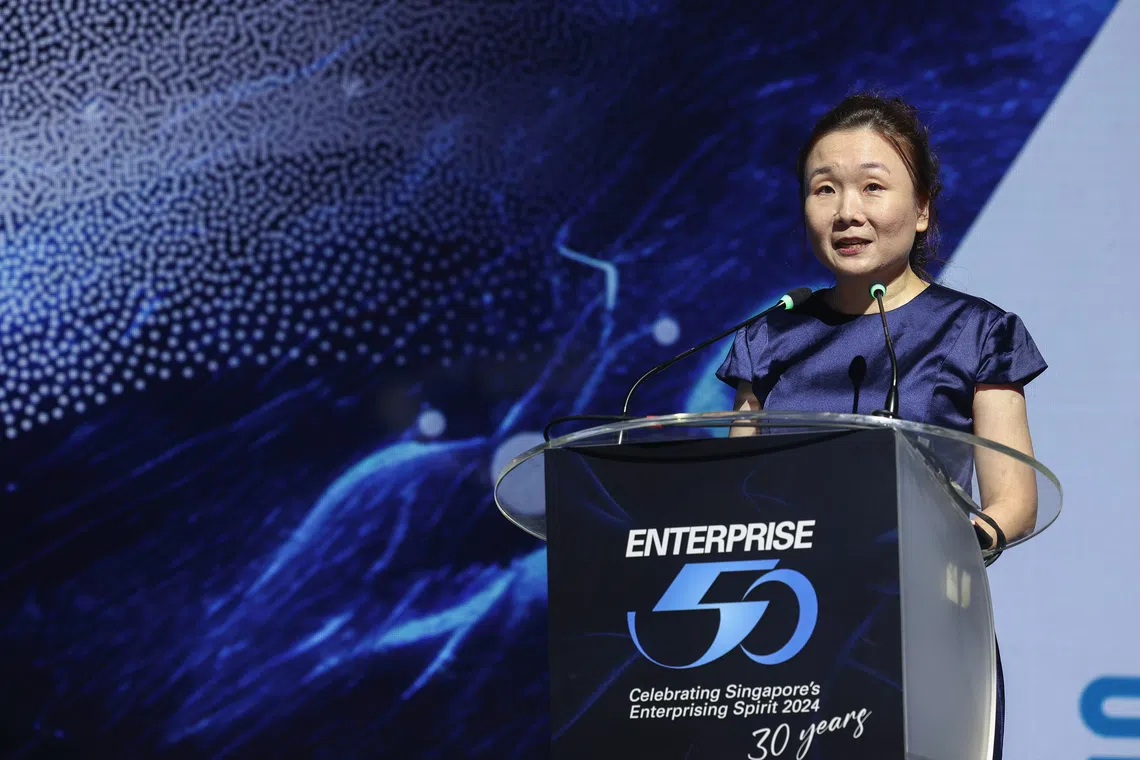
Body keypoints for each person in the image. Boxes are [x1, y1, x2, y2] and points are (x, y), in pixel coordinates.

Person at [715, 92, 1047, 760]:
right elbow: (729, 495)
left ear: (922, 210)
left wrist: (950, 546)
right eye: (824, 189)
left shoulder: (978, 332)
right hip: (781, 629)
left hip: (922, 624)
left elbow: (1014, 500)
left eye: (872, 187)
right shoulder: (767, 339)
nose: (847, 211)